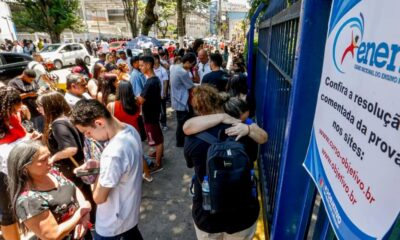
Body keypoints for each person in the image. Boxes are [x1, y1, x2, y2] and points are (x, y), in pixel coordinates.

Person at [184, 86, 261, 240]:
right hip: (243, 214)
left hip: (207, 215)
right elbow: (254, 155)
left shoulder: (192, 137)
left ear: (199, 110)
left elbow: (191, 164)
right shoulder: (243, 130)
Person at [70, 100, 144, 239]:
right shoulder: (130, 130)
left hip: (113, 227)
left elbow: (98, 198)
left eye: (87, 132)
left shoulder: (112, 153)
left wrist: (98, 171)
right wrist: (100, 165)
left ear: (99, 123)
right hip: (128, 218)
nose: (87, 136)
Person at [7, 141, 92, 240]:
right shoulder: (28, 200)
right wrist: (81, 213)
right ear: (25, 167)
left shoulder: (52, 172)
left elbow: (74, 188)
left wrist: (85, 217)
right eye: (43, 159)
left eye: (49, 156)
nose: (50, 161)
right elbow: (52, 236)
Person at [106, 80, 153, 182]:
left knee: (123, 157)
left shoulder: (112, 106)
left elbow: (108, 122)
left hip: (119, 136)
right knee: (139, 155)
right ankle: (148, 175)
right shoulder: (136, 103)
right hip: (134, 133)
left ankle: (129, 178)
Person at [138, 56, 164, 172]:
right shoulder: (155, 79)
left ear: (148, 65)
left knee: (157, 141)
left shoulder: (150, 82)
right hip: (155, 112)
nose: (140, 68)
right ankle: (158, 154)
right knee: (158, 137)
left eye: (142, 65)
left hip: (150, 115)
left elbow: (141, 100)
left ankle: (158, 164)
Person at [170, 53, 196, 147]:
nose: (191, 67)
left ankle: (180, 141)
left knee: (181, 122)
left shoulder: (175, 67)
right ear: (188, 62)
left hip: (177, 98)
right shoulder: (182, 72)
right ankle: (180, 142)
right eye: (192, 65)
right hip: (181, 100)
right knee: (182, 123)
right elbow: (191, 86)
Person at [153, 54, 169, 131]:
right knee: (155, 110)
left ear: (158, 60)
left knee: (163, 110)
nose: (153, 61)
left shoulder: (163, 70)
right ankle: (157, 124)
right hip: (153, 94)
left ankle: (164, 124)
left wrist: (164, 92)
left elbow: (165, 82)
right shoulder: (151, 70)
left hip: (161, 93)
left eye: (154, 59)